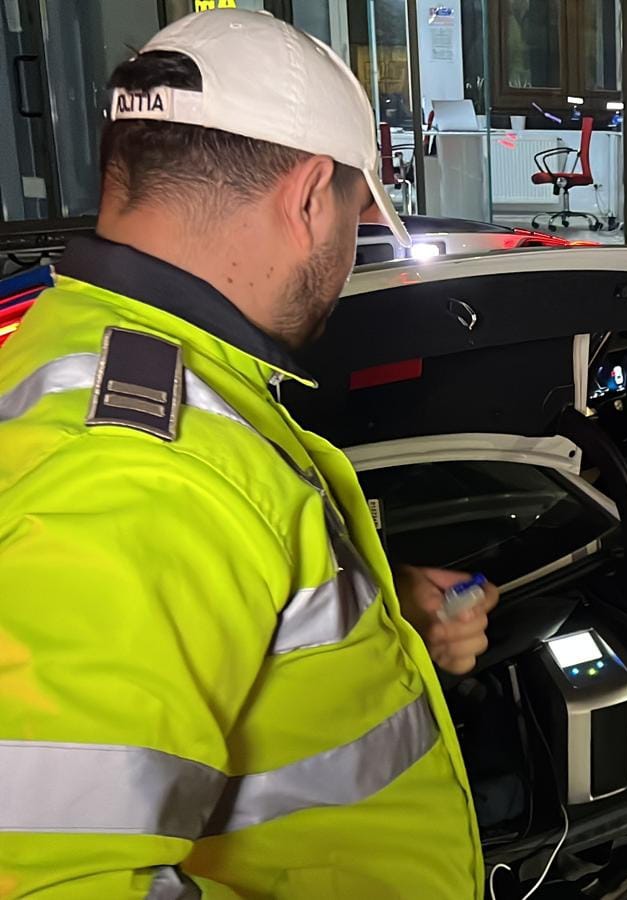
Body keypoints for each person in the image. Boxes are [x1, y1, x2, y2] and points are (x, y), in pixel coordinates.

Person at [0, 11, 496, 897]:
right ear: (308, 200)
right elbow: (49, 880)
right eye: (354, 217)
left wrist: (381, 622)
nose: (347, 256)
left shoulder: (89, 345)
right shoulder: (144, 473)